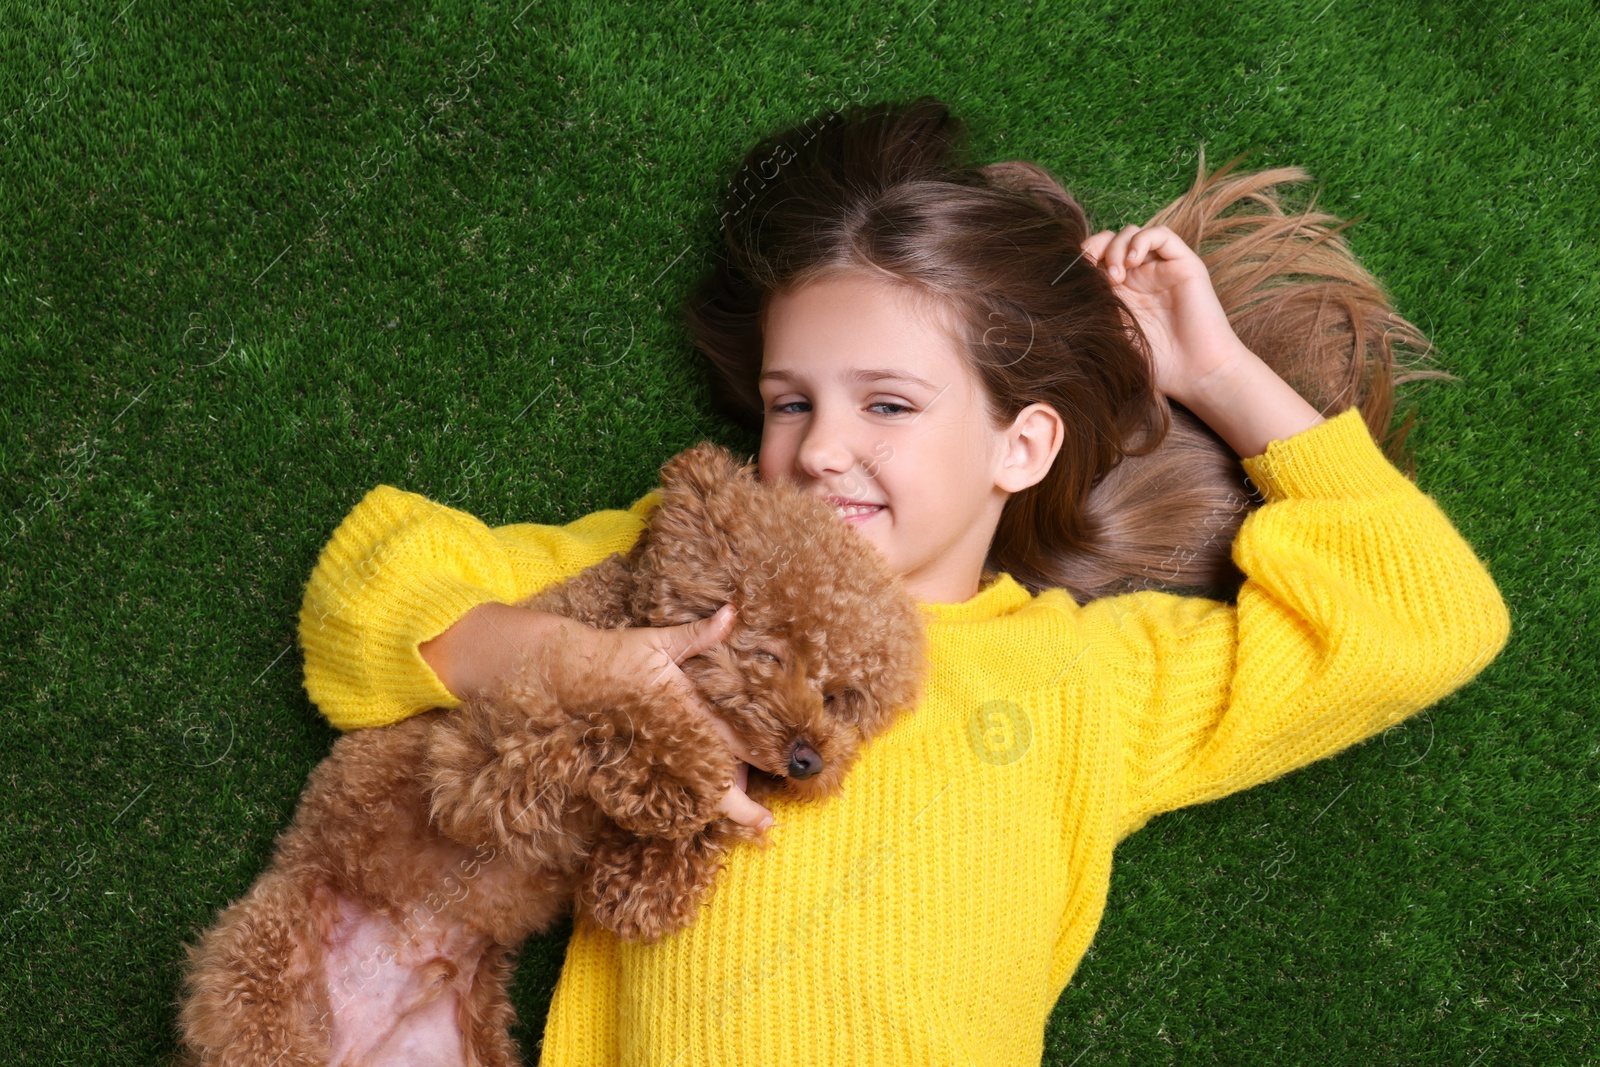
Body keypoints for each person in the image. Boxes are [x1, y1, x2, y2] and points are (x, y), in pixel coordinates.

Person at [296, 98, 1510, 1065]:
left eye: (885, 403)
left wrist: (1220, 373)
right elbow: (373, 585)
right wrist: (572, 663)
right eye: (790, 402)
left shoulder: (1097, 679)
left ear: (1018, 447)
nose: (821, 445)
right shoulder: (685, 564)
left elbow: (1422, 620)